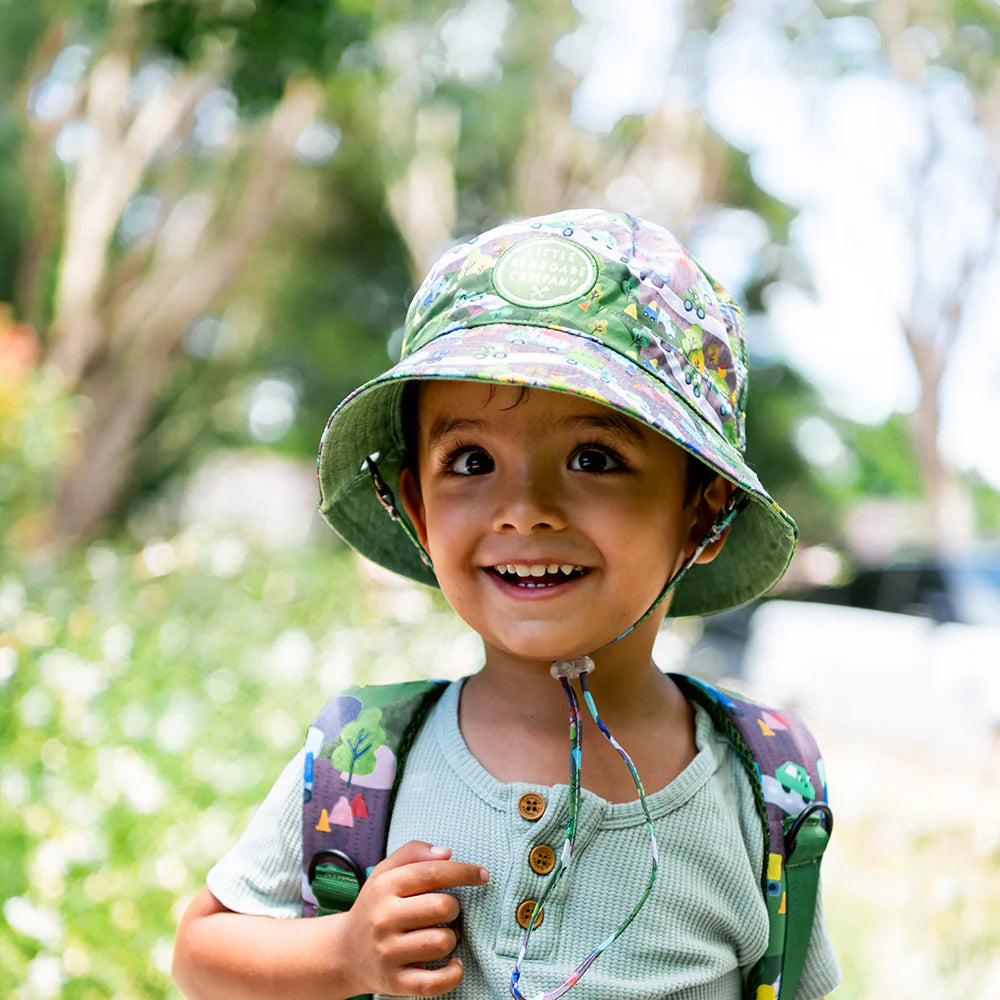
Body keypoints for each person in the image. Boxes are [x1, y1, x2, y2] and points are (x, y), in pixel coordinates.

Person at [172, 209, 841, 1000]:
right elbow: (199, 955)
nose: (523, 509)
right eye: (472, 460)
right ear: (419, 509)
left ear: (704, 511)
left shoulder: (759, 792)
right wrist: (344, 952)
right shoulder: (364, 759)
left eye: (594, 458)